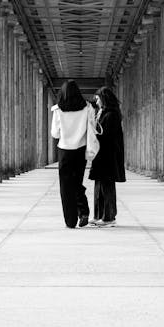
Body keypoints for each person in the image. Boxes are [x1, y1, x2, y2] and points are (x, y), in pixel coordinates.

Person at [51, 80, 97, 229]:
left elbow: (55, 133)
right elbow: (91, 128)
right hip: (80, 150)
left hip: (64, 150)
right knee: (77, 182)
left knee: (66, 186)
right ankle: (83, 211)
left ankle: (70, 221)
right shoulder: (88, 108)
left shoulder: (58, 110)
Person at [89, 86, 126, 227]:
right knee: (99, 186)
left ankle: (109, 217)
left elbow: (107, 136)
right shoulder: (103, 112)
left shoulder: (112, 114)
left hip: (108, 156)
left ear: (104, 99)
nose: (96, 102)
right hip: (101, 155)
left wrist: (94, 131)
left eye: (98, 99)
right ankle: (99, 215)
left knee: (107, 186)